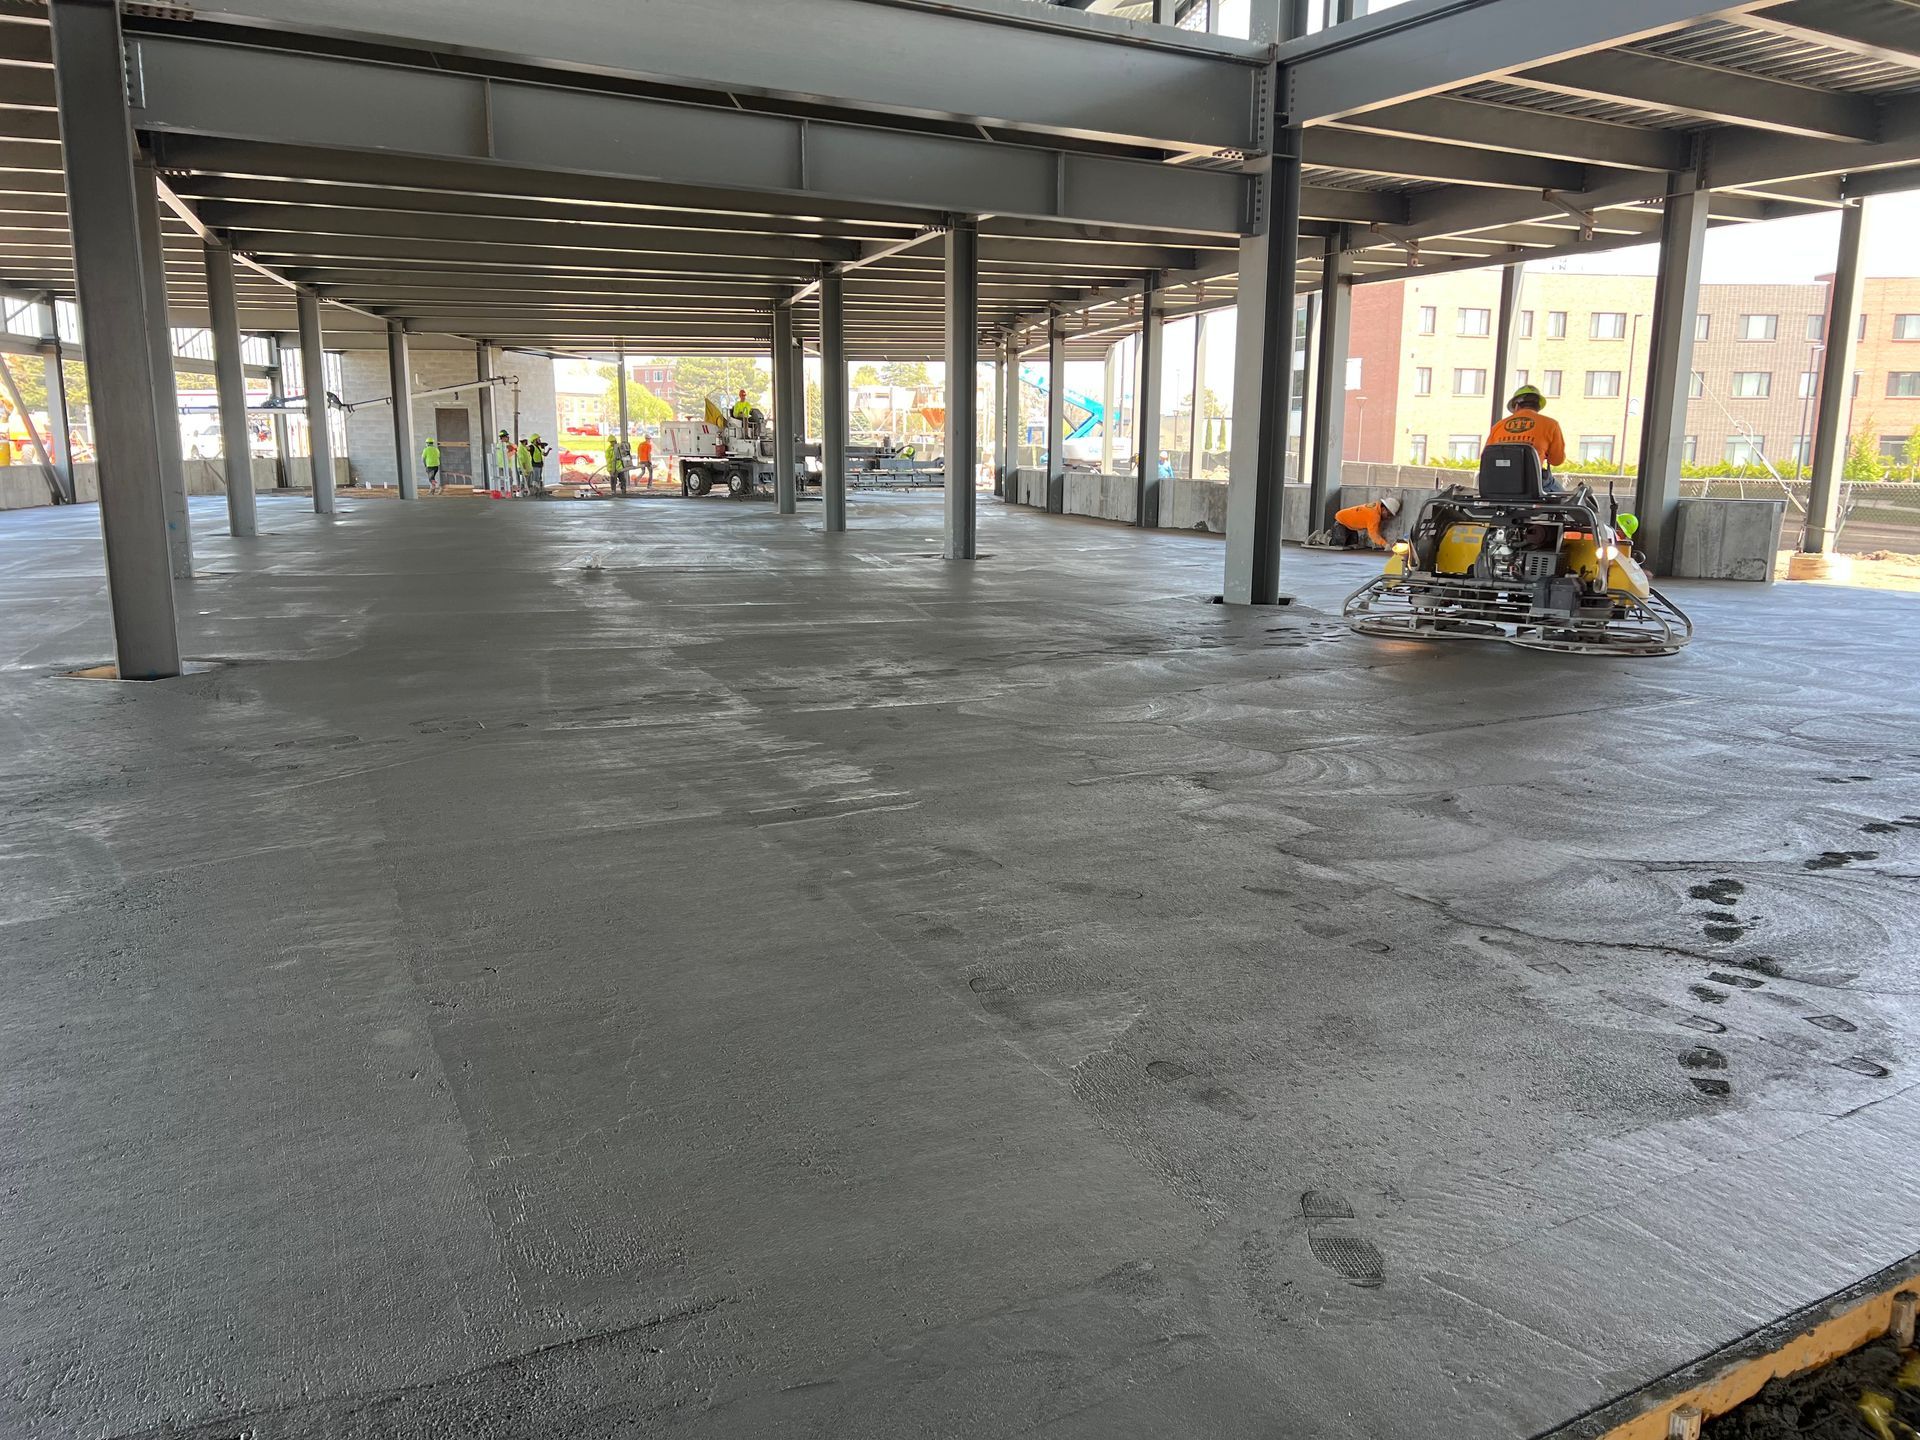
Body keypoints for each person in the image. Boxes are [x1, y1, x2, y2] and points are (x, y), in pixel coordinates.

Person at [1484, 384, 1567, 482]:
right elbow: (1557, 461)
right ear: (1538, 406)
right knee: (1566, 495)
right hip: (1532, 484)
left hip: (1500, 482)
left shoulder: (1498, 426)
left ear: (1516, 406)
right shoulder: (1551, 424)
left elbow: (1486, 458)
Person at [1329, 495, 1403, 550]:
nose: (1388, 517)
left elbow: (1375, 529)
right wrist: (1385, 544)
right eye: (1389, 514)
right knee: (1338, 545)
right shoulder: (1374, 515)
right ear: (1384, 509)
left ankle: (1332, 534)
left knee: (1352, 545)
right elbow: (1373, 534)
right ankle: (1322, 538)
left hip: (1350, 526)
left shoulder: (1376, 507)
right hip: (1341, 522)